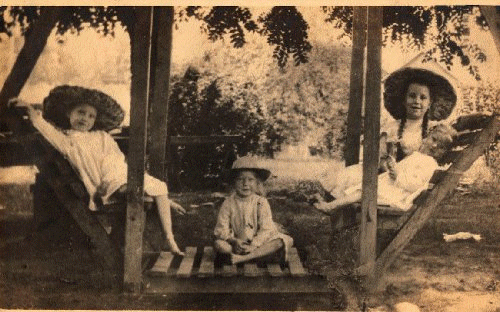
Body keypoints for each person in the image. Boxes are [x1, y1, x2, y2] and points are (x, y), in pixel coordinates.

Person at [10, 85, 185, 255]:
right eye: (80, 112)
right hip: (105, 182)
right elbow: (46, 129)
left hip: (121, 173)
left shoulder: (101, 136)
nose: (85, 118)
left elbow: (118, 160)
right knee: (134, 188)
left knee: (159, 185)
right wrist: (30, 111)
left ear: (95, 121)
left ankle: (169, 237)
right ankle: (156, 204)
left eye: (91, 116)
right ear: (68, 113)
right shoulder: (67, 141)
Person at [313, 124, 456, 213]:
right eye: (434, 139)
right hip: (391, 186)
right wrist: (393, 167)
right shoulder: (418, 156)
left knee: (363, 192)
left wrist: (397, 176)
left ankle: (331, 207)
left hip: (398, 194)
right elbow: (402, 169)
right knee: (359, 187)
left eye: (441, 146)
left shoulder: (429, 163)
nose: (435, 146)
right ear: (427, 137)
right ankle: (332, 204)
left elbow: (415, 183)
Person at [213, 156, 293, 265]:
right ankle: (256, 257)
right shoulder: (228, 203)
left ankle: (242, 259)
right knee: (220, 245)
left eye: (250, 180)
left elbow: (266, 228)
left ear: (257, 183)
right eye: (241, 179)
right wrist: (234, 241)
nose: (245, 184)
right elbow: (221, 229)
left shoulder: (261, 202)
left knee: (281, 241)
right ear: (234, 182)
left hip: (258, 244)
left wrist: (254, 245)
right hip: (237, 244)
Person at [382, 67, 458, 162]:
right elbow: (381, 157)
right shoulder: (392, 128)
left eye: (423, 98)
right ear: (404, 100)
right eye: (412, 96)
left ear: (430, 103)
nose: (417, 101)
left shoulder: (435, 129)